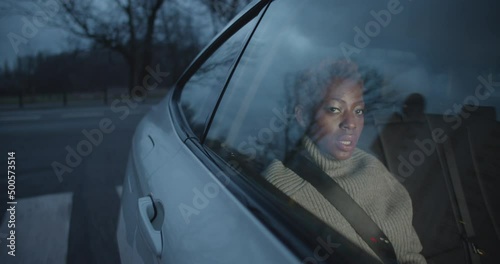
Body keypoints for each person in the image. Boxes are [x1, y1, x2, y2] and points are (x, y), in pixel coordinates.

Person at [264, 60, 427, 264]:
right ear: (303, 116)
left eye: (358, 111)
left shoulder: (372, 167)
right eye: (334, 109)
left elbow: (410, 255)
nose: (351, 123)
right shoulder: (281, 186)